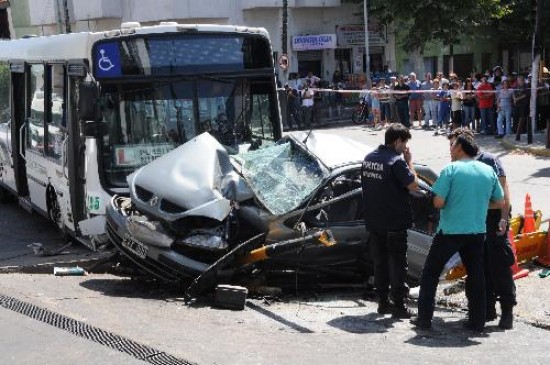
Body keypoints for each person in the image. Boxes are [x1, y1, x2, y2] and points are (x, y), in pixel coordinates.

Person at [413, 130, 504, 333]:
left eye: (452, 145)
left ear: (460, 147)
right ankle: (477, 323)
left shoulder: (451, 169)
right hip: (476, 232)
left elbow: (438, 201)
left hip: (450, 231)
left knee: (430, 274)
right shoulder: (487, 171)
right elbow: (499, 201)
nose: (450, 149)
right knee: (476, 276)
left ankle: (424, 320)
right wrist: (476, 204)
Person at [450, 128, 516, 330]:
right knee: (478, 269)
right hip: (473, 225)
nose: (451, 149)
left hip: (493, 221)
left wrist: (504, 220)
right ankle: (485, 311)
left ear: (463, 144)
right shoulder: (458, 165)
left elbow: (504, 191)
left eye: (453, 144)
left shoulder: (488, 160)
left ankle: (507, 312)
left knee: (499, 267)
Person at [361, 123, 419, 319]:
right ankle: (399, 306)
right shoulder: (396, 161)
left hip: (374, 221)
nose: (405, 148)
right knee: (397, 264)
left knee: (380, 263)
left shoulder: (369, 158)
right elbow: (413, 185)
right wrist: (409, 161)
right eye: (404, 144)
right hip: (394, 222)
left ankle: (383, 303)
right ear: (397, 141)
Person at [513, 75, 530, 141]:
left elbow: (525, 95)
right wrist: (514, 98)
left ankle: (522, 131)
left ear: (523, 80)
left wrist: (517, 99)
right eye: (518, 80)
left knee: (522, 117)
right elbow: (513, 92)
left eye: (520, 80)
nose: (519, 81)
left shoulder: (526, 86)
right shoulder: (516, 86)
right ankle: (515, 130)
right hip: (516, 104)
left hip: (524, 104)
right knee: (515, 116)